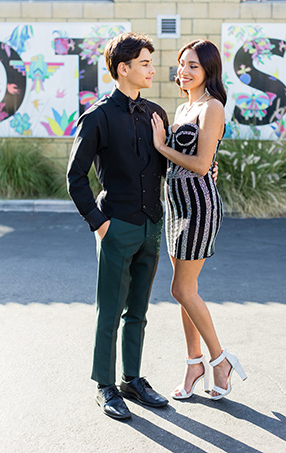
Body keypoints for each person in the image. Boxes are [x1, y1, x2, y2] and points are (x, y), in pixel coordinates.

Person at [67, 32, 171, 420]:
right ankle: (105, 386)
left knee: (139, 310)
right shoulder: (97, 117)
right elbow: (75, 177)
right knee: (109, 311)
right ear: (123, 68)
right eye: (145, 63)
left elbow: (167, 164)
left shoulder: (155, 113)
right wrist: (99, 225)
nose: (152, 69)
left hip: (150, 226)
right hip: (117, 226)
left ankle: (132, 378)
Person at [150, 39, 246, 400]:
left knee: (181, 289)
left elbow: (203, 164)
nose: (184, 71)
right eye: (181, 64)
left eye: (193, 65)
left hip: (198, 208)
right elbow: (187, 160)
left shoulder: (212, 107)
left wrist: (162, 147)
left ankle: (220, 361)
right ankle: (194, 365)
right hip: (175, 206)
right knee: (184, 292)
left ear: (208, 70)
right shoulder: (183, 108)